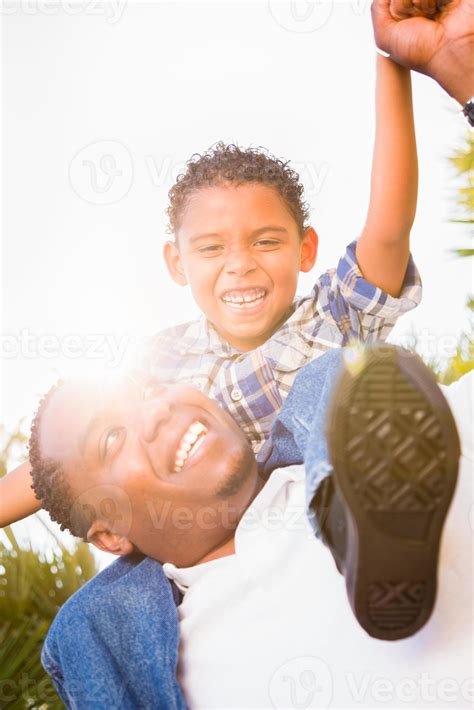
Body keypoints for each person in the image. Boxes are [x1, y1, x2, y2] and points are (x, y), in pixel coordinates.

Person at [1, 33, 423, 524]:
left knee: (333, 378)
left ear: (305, 250)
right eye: (210, 248)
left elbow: (390, 226)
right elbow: (58, 466)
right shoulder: (156, 365)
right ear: (178, 264)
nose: (240, 263)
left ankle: (371, 524)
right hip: (217, 532)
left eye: (265, 241)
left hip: (331, 503)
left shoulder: (335, 313)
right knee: (117, 583)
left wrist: (395, 60)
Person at [30, 344, 471, 709]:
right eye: (110, 437)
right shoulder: (163, 664)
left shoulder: (410, 430)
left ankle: (353, 516)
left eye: (148, 389)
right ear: (111, 533)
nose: (158, 410)